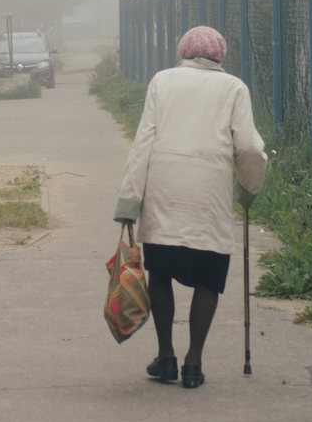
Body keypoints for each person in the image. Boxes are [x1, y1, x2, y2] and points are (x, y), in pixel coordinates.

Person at [113, 25, 268, 388]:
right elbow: (247, 146)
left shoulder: (162, 81)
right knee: (209, 275)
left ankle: (165, 356)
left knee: (161, 272)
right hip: (208, 193)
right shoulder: (234, 87)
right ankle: (193, 362)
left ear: (183, 53)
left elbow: (143, 142)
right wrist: (248, 186)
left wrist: (129, 200)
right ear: (219, 56)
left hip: (164, 189)